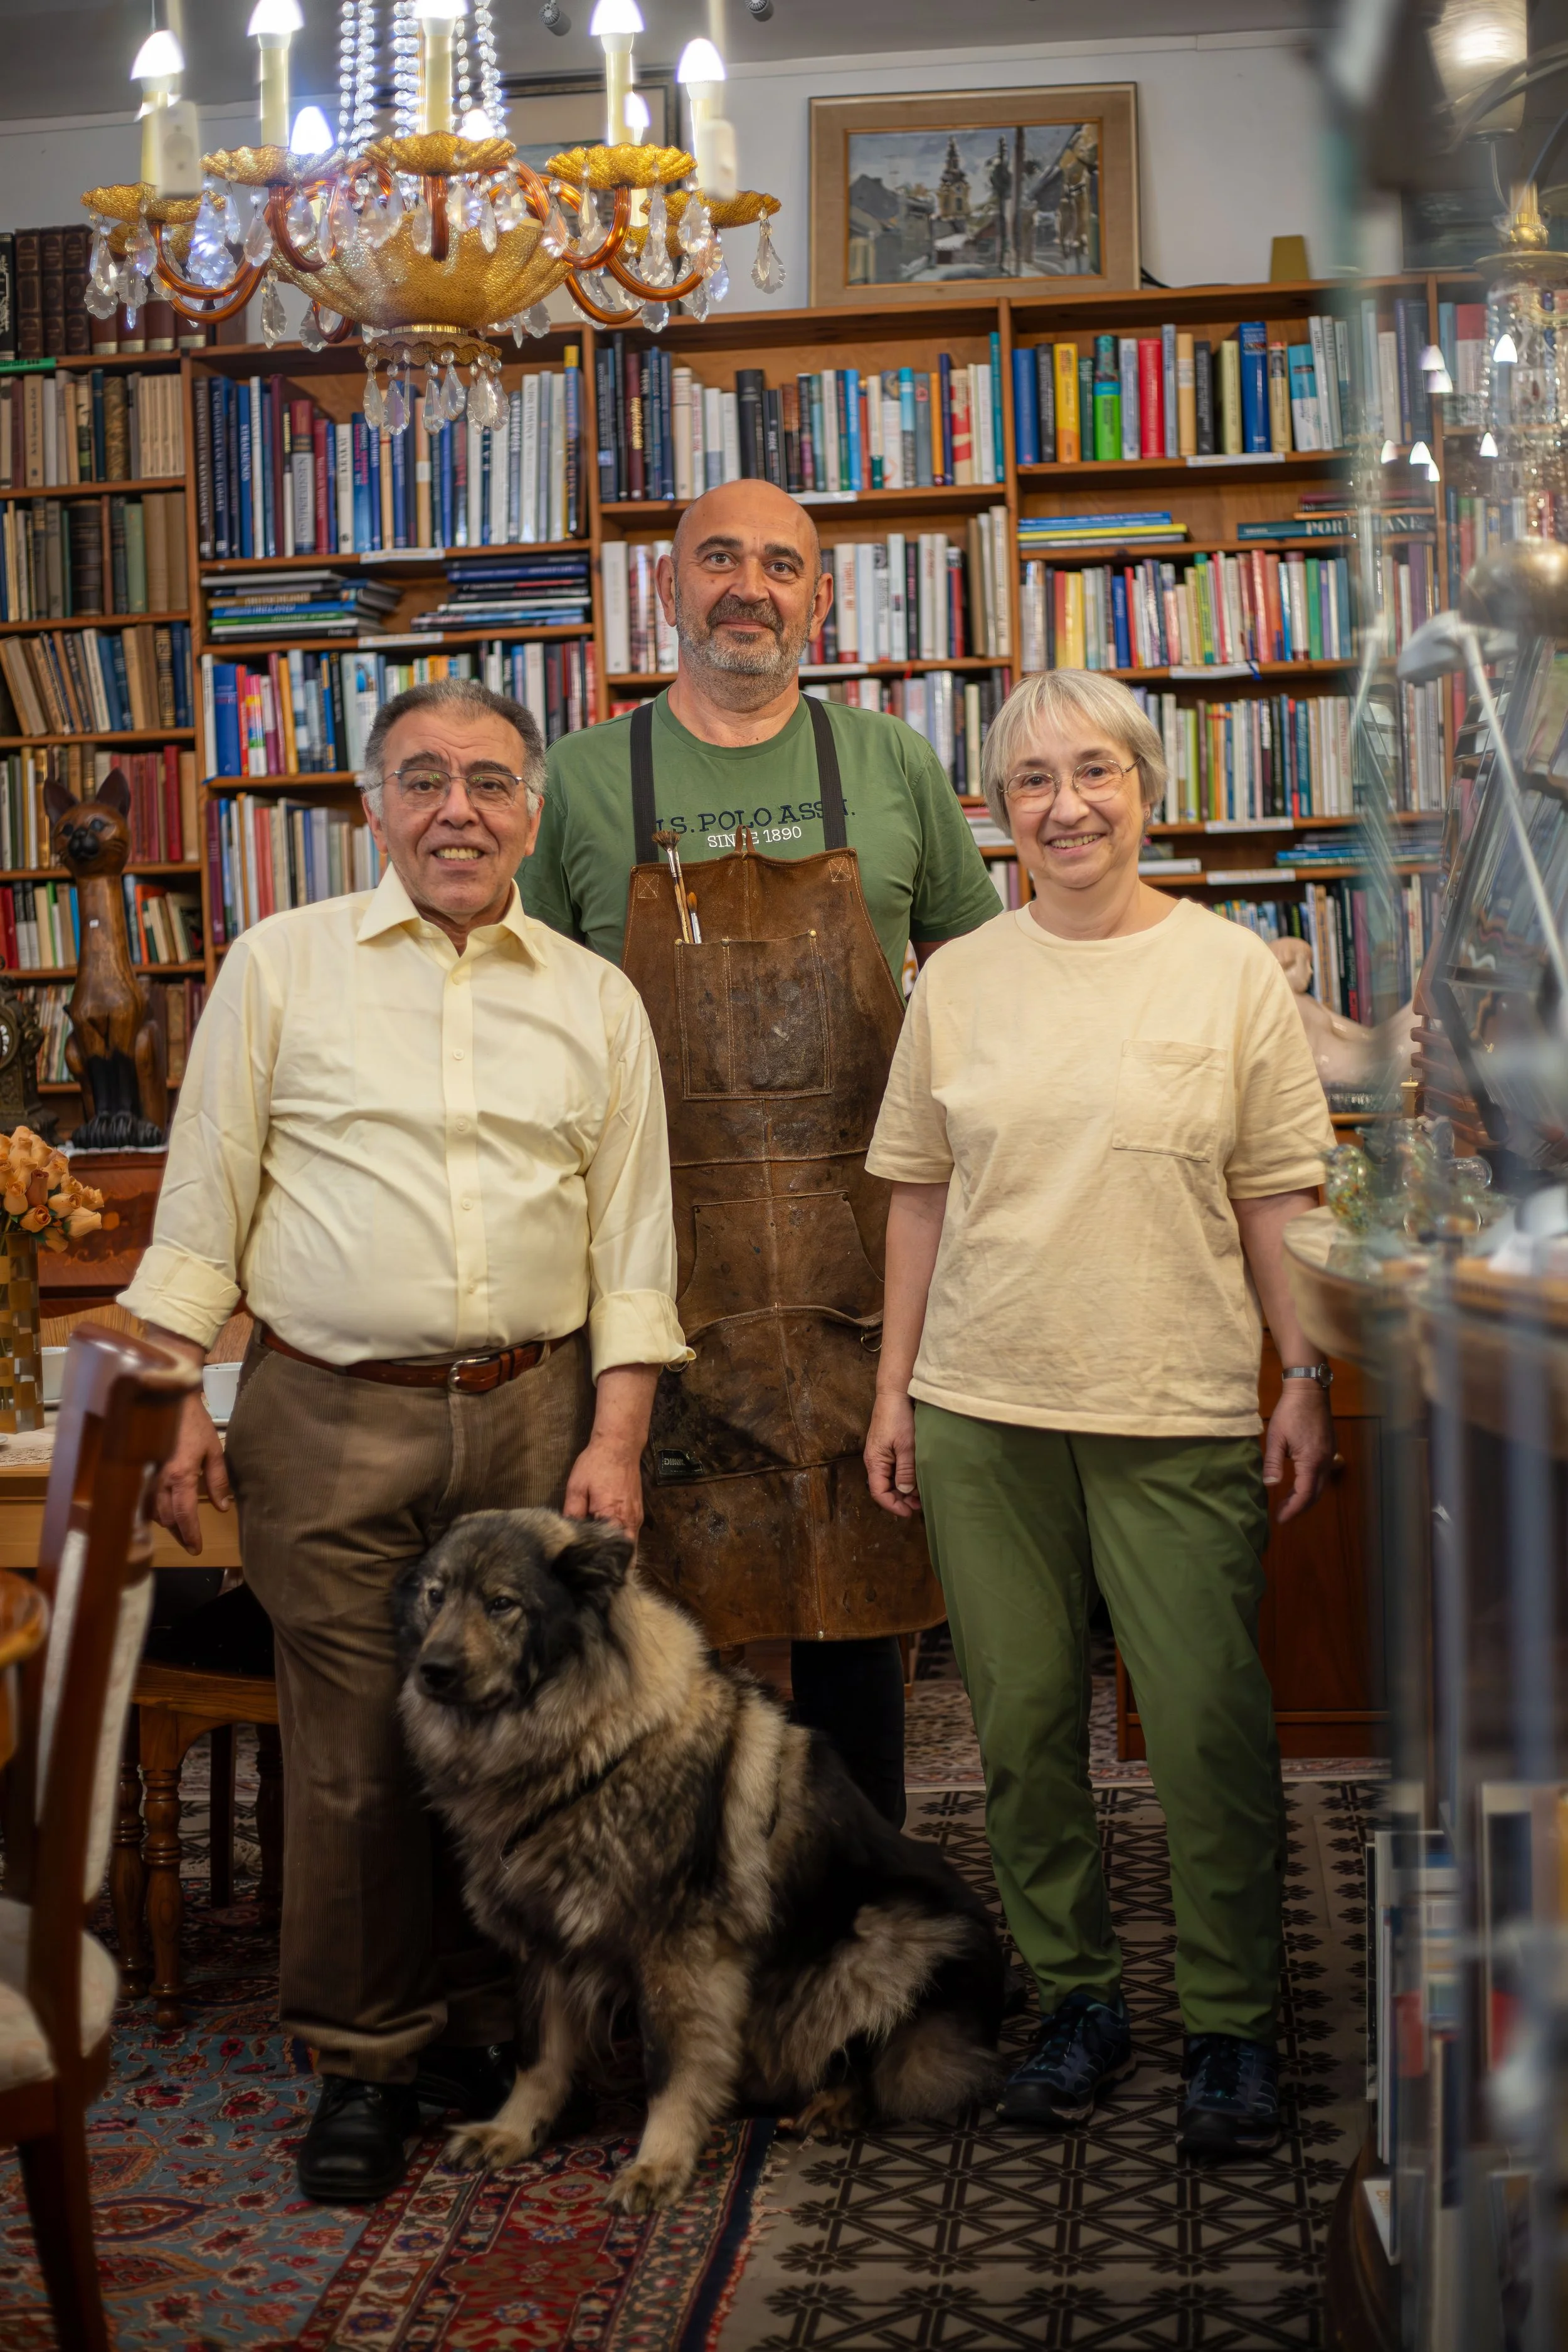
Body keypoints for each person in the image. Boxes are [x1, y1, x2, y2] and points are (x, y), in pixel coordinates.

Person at [121, 677, 688, 2205]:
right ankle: (365, 2057)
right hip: (328, 1412)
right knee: (363, 1754)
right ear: (372, 805)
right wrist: (178, 1386)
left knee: (523, 1749)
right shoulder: (279, 966)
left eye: (491, 783)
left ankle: (498, 2033)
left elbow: (635, 1237)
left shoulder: (591, 996)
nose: (459, 810)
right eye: (425, 779)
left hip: (532, 1408)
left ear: (532, 811)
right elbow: (204, 1194)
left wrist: (615, 1432)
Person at [862, 669, 1335, 2160]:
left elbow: (1276, 1194)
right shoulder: (959, 981)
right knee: (1020, 1731)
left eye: (1091, 773)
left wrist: (1302, 1373)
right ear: (996, 817)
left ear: (1145, 786)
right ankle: (1075, 2002)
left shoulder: (1230, 972)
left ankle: (1229, 2028)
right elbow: (918, 1193)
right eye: (1028, 784)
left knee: (1203, 1730)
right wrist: (891, 1388)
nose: (1063, 805)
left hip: (1173, 1402)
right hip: (981, 1409)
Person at [523, 479, 1000, 1828]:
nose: (749, 585)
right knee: (664, 1645)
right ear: (666, 587)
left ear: (820, 598)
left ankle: (857, 1919)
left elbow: (971, 987)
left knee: (856, 1618)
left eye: (780, 565)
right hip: (652, 1274)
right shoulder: (577, 778)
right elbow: (530, 1018)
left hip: (862, 1274)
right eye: (717, 558)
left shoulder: (891, 763)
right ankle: (688, 1934)